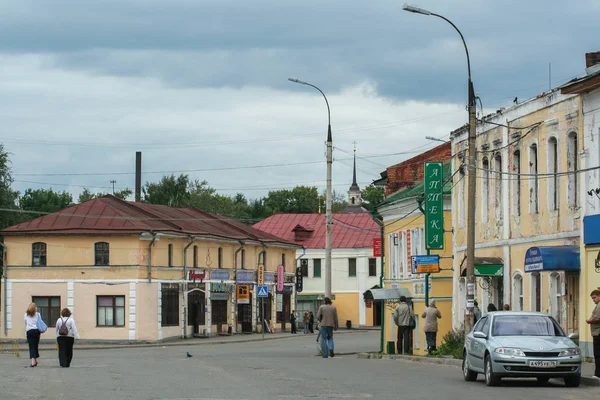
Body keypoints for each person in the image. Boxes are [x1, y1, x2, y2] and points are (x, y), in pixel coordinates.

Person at [24, 302, 44, 367]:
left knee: (31, 346)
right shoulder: (38, 314)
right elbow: (40, 322)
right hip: (36, 331)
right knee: (35, 345)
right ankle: (34, 361)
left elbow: (25, 323)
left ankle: (33, 362)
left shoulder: (26, 315)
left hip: (29, 331)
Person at [585, 289, 600, 379]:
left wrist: (589, 320)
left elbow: (598, 318)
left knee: (597, 354)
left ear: (599, 296)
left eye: (594, 298)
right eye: (592, 298)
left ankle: (598, 374)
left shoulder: (599, 306)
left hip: (598, 333)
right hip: (597, 332)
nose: (593, 300)